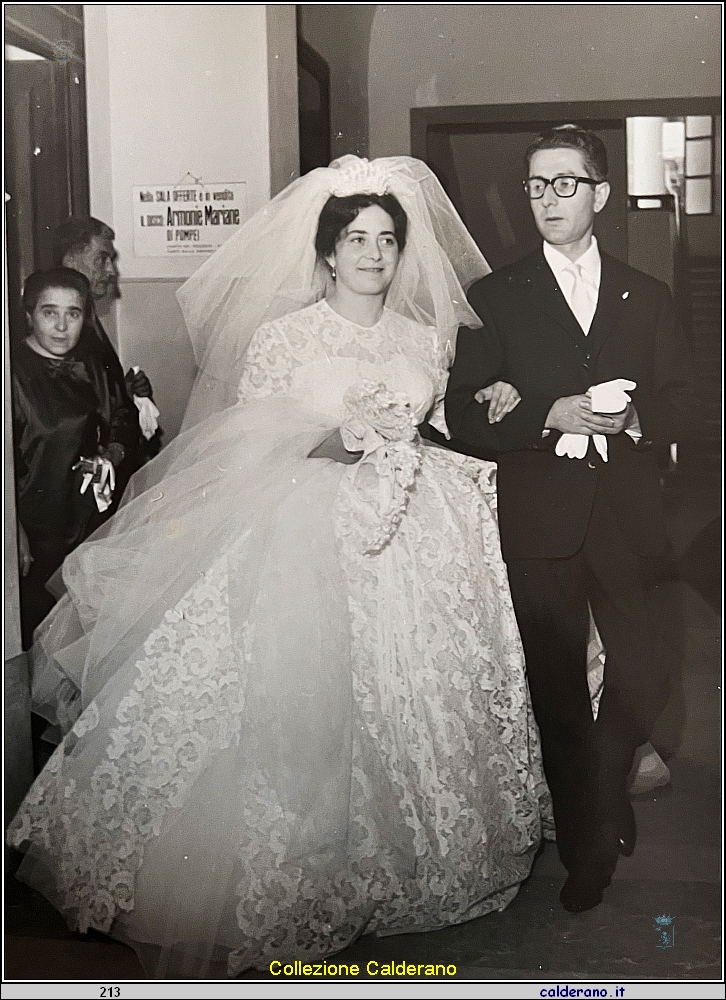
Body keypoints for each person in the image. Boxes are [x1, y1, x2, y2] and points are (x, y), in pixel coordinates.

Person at [8, 158, 549, 978]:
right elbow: (245, 447)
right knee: (296, 700)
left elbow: (435, 428)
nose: (373, 254)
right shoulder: (286, 337)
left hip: (415, 541)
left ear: (404, 255)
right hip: (306, 531)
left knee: (414, 696)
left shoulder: (427, 340)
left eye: (388, 241)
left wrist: (473, 415)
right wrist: (343, 443)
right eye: (357, 239)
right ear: (328, 253)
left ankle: (416, 857)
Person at [445, 125, 692, 913]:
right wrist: (545, 414)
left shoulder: (645, 293)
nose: (548, 199)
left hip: (627, 516)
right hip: (541, 522)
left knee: (650, 665)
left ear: (600, 195)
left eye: (564, 184)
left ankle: (606, 775)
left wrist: (639, 424)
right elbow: (460, 413)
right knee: (556, 693)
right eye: (536, 186)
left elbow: (685, 399)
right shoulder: (495, 297)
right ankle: (586, 849)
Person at [11, 268, 141, 651]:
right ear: (30, 314)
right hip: (34, 527)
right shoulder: (11, 372)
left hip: (88, 517)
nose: (63, 326)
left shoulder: (91, 364)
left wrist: (110, 454)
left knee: (85, 633)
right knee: (36, 633)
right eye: (50, 312)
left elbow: (122, 418)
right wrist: (11, 530)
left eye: (74, 313)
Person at [53, 216, 162, 459]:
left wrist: (122, 390)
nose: (111, 271)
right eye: (102, 259)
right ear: (70, 262)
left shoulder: (88, 316)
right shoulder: (59, 328)